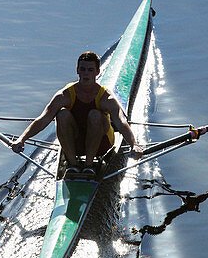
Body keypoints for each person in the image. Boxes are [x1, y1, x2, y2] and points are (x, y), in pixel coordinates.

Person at [11, 51, 142, 175]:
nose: (86, 74)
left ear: (97, 72)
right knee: (61, 114)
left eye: (90, 70)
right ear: (77, 70)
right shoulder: (64, 95)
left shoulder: (106, 97)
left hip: (102, 144)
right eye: (83, 69)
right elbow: (43, 119)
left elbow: (120, 121)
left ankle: (89, 166)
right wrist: (21, 139)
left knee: (95, 115)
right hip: (76, 143)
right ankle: (72, 165)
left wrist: (134, 145)